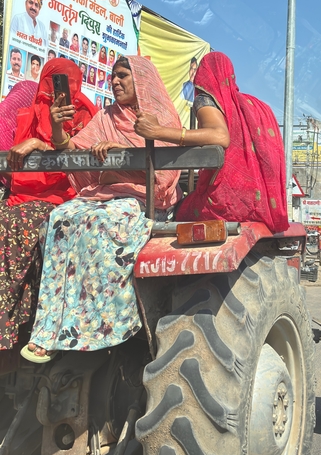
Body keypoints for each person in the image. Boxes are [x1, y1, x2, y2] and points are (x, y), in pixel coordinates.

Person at [22, 56, 182, 361]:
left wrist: (122, 155)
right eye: (113, 76)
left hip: (144, 201)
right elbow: (74, 151)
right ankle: (50, 329)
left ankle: (100, 327)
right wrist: (57, 128)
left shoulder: (160, 115)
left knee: (101, 224)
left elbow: (164, 178)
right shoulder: (107, 116)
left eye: (123, 76)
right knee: (60, 218)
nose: (116, 81)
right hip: (105, 196)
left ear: (142, 80)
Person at [135, 51, 289, 233]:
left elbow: (220, 137)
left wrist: (158, 131)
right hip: (264, 205)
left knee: (177, 211)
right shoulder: (255, 105)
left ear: (203, 75)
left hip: (225, 201)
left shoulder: (205, 99)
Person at [0, 61, 96, 352]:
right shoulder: (26, 113)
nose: (58, 89)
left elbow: (82, 160)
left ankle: (8, 324)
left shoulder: (85, 114)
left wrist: (43, 146)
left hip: (61, 198)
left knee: (14, 227)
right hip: (21, 196)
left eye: (65, 81)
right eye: (53, 81)